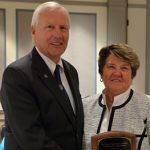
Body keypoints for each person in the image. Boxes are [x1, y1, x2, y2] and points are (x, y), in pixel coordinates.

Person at [0, 1, 84, 150]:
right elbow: (31, 138)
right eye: (50, 27)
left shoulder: (71, 72)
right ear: (33, 31)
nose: (58, 34)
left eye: (63, 28)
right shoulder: (17, 75)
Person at [82, 43, 150, 150]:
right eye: (111, 67)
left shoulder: (147, 106)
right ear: (101, 72)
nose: (117, 73)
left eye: (124, 68)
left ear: (132, 74)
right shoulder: (84, 106)